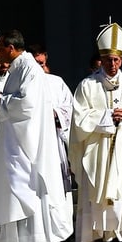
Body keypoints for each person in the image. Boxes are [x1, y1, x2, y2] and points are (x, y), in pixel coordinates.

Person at [0, 29, 73, 242]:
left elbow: (28, 105)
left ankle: (38, 236)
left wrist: (1, 101)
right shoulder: (18, 68)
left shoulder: (29, 68)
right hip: (17, 139)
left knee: (29, 185)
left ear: (11, 48)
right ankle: (24, 238)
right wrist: (1, 102)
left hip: (29, 142)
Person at [69, 21, 122, 242]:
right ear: (100, 60)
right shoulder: (87, 86)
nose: (112, 64)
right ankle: (99, 234)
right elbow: (78, 119)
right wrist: (106, 117)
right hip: (98, 151)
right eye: (107, 60)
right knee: (98, 190)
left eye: (116, 60)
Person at [29, 43, 76, 209]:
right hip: (31, 144)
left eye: (42, 64)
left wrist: (55, 114)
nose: (39, 68)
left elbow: (70, 108)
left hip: (53, 142)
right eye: (36, 64)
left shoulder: (56, 82)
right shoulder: (22, 84)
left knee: (56, 189)